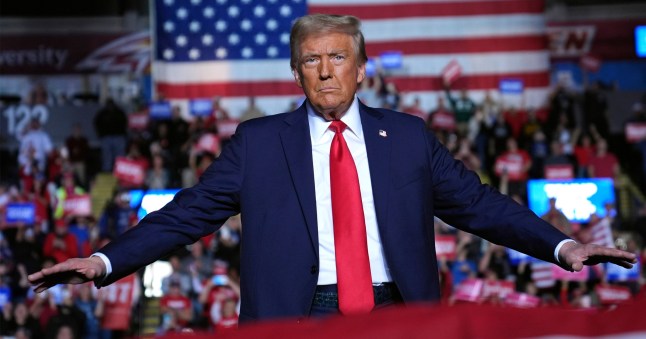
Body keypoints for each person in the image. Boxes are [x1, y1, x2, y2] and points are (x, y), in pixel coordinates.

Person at [29, 14, 636, 323]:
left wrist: (561, 246)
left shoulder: (407, 136)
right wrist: (105, 260)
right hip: (300, 313)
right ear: (295, 72)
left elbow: (479, 206)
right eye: (311, 60)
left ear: (362, 68)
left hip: (400, 309)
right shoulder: (258, 142)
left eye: (338, 58)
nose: (324, 71)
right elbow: (187, 214)